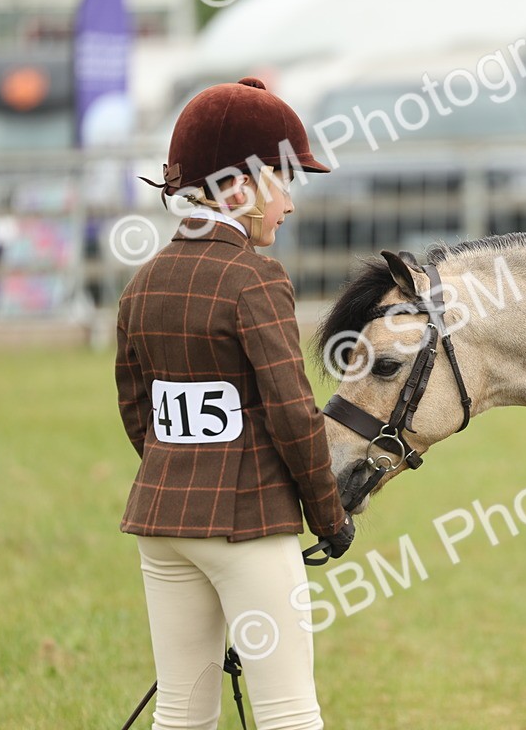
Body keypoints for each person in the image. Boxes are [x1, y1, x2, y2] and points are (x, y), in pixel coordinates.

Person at [118, 76, 354, 730]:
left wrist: (184, 472)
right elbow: (293, 413)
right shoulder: (254, 279)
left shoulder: (142, 284)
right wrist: (329, 518)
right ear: (238, 188)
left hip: (163, 526)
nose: (290, 203)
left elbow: (140, 411)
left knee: (182, 712)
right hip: (247, 525)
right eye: (284, 182)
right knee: (288, 714)